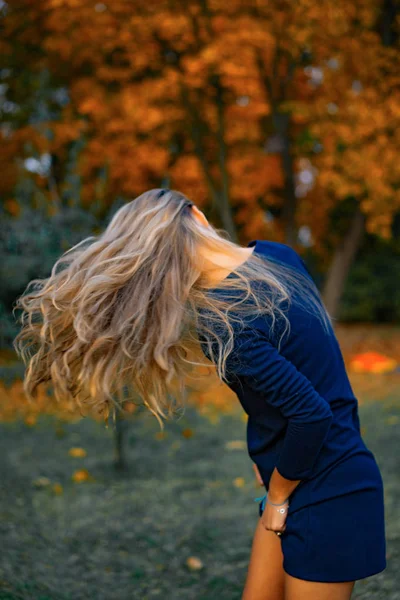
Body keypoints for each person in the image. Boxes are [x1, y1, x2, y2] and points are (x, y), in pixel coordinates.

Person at [13, 188, 386, 600]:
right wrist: (266, 455)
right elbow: (309, 374)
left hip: (326, 488)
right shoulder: (279, 258)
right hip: (309, 471)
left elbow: (313, 414)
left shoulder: (224, 323)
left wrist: (278, 495)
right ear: (200, 216)